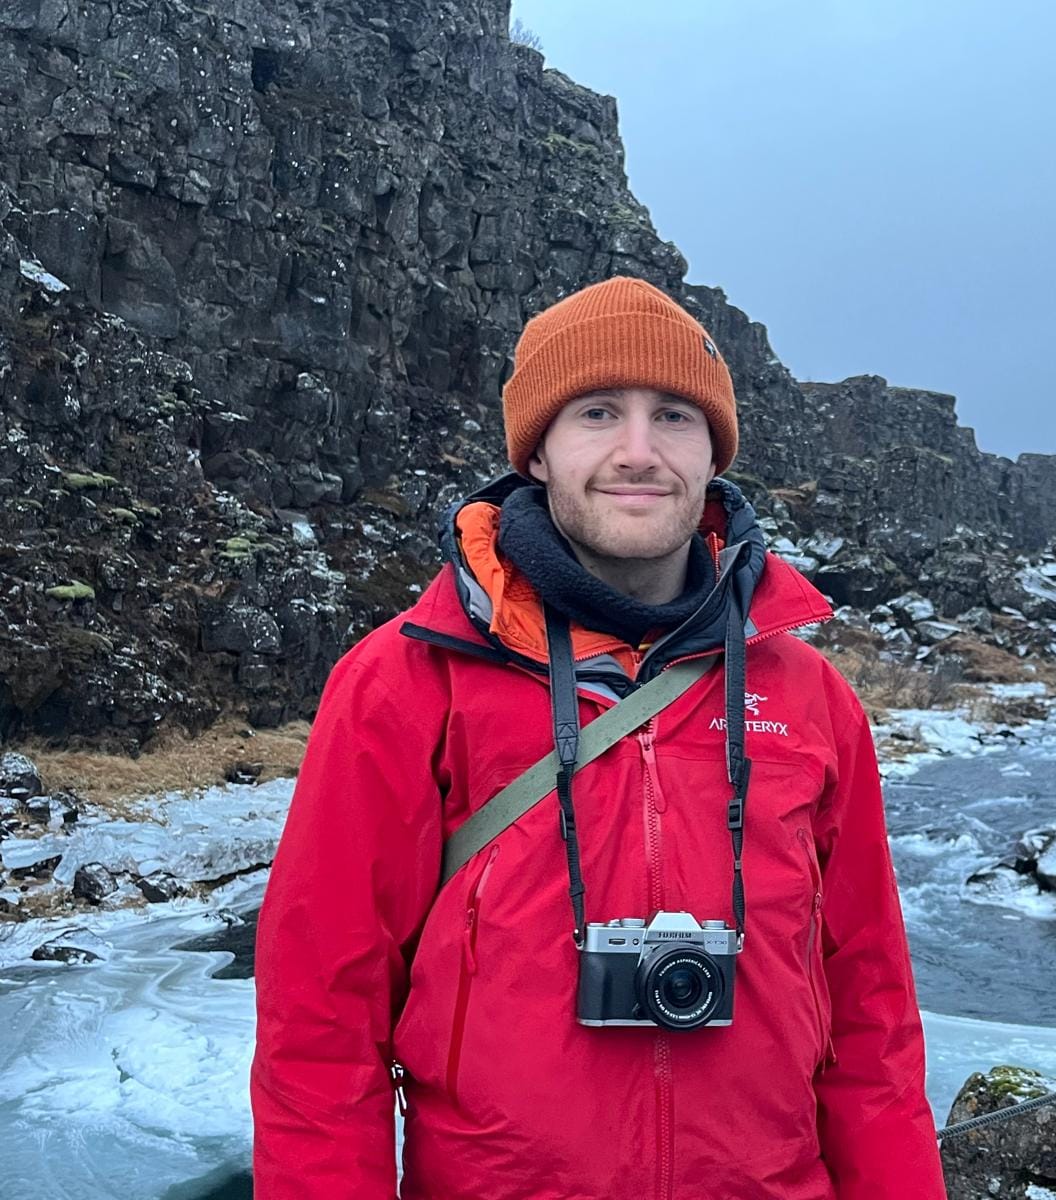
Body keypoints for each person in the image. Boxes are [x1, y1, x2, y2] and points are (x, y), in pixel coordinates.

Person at [250, 275, 948, 1198]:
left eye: (674, 417)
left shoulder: (809, 696)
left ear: (713, 453)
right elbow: (318, 1024)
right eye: (597, 412)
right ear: (538, 451)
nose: (638, 452)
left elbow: (873, 1020)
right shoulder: (406, 682)